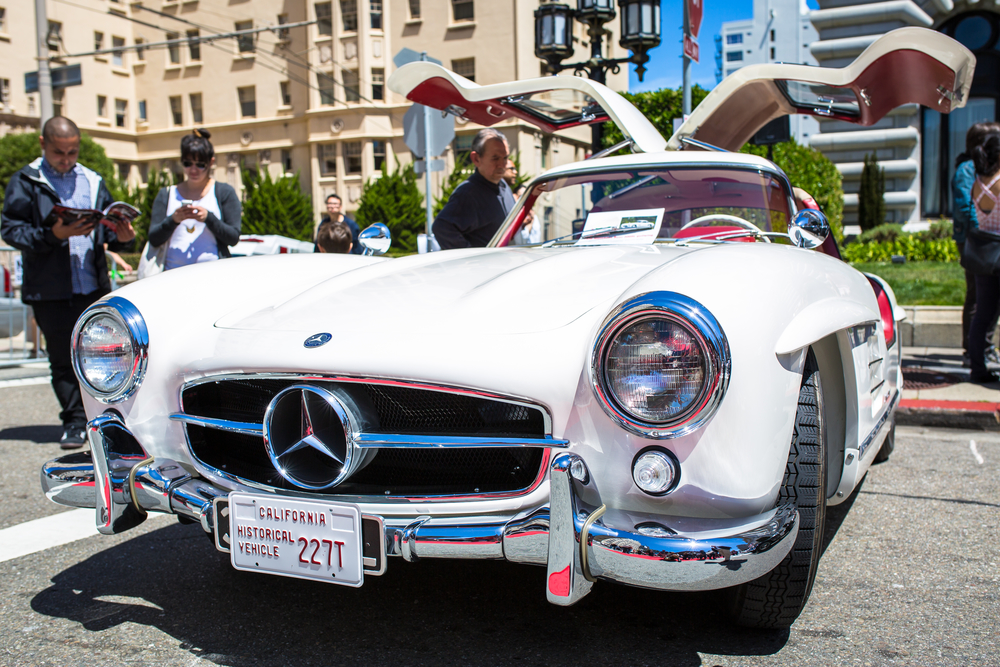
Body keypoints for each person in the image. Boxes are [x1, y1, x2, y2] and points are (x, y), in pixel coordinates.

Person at [0, 116, 136, 448]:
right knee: (62, 359)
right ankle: (75, 422)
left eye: (73, 152)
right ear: (43, 145)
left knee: (109, 356)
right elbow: (11, 229)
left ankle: (109, 422)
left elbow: (106, 227)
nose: (66, 159)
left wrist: (123, 236)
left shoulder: (92, 179)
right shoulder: (27, 181)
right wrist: (53, 235)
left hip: (92, 286)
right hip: (50, 288)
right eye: (60, 152)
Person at [148, 129, 241, 270]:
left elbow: (233, 238)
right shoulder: (166, 194)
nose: (193, 170)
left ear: (211, 162)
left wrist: (208, 218)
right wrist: (173, 220)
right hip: (171, 277)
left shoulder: (224, 192)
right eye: (187, 163)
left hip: (213, 275)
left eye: (200, 164)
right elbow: (154, 239)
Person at [953, 123, 1000, 367]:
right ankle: (973, 352)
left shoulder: (983, 176)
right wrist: (980, 231)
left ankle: (980, 355)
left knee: (985, 305)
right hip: (984, 244)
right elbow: (964, 208)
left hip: (985, 243)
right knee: (977, 300)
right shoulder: (969, 171)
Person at [433, 128, 515, 249]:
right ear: (476, 159)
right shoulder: (468, 193)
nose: (502, 165)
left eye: (505, 158)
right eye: (495, 158)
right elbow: (442, 228)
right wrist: (472, 259)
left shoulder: (503, 186)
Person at [966, 131, 1000, 383]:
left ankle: (978, 368)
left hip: (983, 254)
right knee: (987, 315)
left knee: (983, 314)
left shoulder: (977, 182)